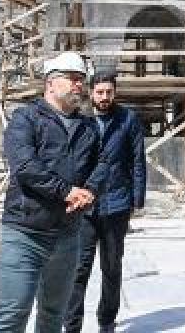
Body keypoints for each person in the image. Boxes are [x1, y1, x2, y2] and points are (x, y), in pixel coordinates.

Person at [0, 51, 100, 333]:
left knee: (53, 314)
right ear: (50, 83)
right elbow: (25, 166)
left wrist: (88, 191)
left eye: (82, 80)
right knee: (13, 314)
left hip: (67, 235)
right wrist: (66, 192)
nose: (80, 85)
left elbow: (101, 164)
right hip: (26, 232)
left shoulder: (88, 126)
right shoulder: (25, 119)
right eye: (73, 79)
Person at [65, 72, 146, 333]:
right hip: (84, 206)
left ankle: (107, 319)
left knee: (111, 266)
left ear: (115, 92)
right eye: (99, 92)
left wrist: (137, 198)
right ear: (91, 93)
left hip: (117, 202)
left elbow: (137, 160)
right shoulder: (81, 119)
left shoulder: (128, 119)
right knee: (79, 269)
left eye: (108, 92)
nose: (104, 97)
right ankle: (72, 324)